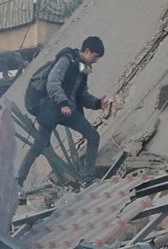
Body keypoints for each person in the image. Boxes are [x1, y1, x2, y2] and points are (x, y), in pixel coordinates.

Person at [16, 35, 106, 188]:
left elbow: (81, 94)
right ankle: (18, 180)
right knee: (39, 146)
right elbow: (53, 82)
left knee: (93, 136)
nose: (95, 61)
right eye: (95, 57)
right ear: (87, 51)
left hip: (68, 111)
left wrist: (98, 103)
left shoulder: (82, 69)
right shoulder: (66, 60)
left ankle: (88, 178)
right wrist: (63, 102)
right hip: (51, 109)